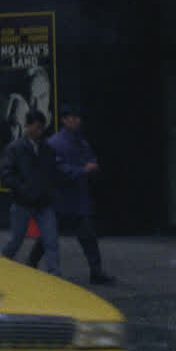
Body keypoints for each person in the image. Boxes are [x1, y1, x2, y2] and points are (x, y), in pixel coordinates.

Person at [35, 104, 115, 284]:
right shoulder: (55, 143)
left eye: (77, 117)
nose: (76, 121)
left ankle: (96, 271)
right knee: (48, 237)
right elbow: (57, 169)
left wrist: (88, 167)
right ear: (64, 120)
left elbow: (84, 161)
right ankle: (31, 264)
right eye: (72, 117)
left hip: (75, 199)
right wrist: (83, 170)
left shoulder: (77, 142)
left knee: (86, 236)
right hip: (62, 198)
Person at [0, 108, 62, 274]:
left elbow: (52, 171)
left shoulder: (46, 148)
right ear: (27, 126)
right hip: (23, 201)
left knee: (51, 240)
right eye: (36, 127)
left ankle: (55, 273)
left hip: (42, 201)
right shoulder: (15, 148)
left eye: (41, 127)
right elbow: (5, 174)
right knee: (16, 240)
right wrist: (22, 188)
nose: (39, 131)